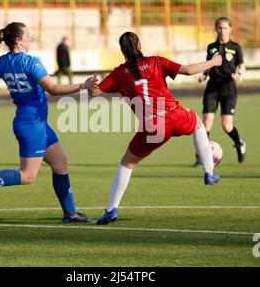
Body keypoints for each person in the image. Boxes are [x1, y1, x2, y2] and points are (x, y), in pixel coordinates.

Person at [0, 22, 97, 224]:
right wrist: (83, 86)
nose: (30, 39)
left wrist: (3, 73)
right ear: (18, 40)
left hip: (35, 122)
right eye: (28, 36)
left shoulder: (3, 62)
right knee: (27, 176)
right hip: (32, 124)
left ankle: (71, 213)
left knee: (60, 164)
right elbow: (53, 89)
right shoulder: (31, 62)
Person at [88, 31, 223, 225]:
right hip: (174, 115)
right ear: (140, 45)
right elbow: (188, 70)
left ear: (122, 51)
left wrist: (91, 84)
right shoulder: (155, 62)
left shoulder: (119, 73)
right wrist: (213, 62)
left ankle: (111, 210)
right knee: (199, 124)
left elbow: (95, 92)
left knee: (127, 164)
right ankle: (209, 172)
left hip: (152, 126)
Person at [194, 17, 246, 165]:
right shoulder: (211, 47)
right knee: (207, 122)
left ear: (230, 29)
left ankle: (239, 144)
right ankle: (201, 157)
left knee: (226, 125)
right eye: (219, 28)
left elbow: (242, 65)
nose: (222, 31)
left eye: (225, 28)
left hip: (228, 87)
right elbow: (208, 64)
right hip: (212, 87)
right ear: (216, 29)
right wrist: (204, 75)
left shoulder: (236, 47)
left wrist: (239, 74)